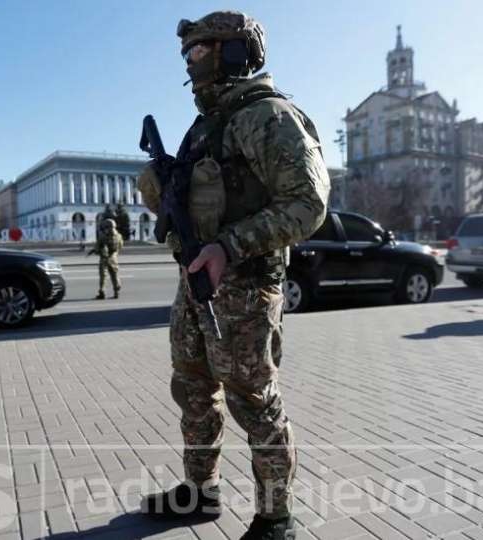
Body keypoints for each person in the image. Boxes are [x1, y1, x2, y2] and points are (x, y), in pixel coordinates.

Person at [137, 11, 330, 540]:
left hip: (244, 288)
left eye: (199, 50)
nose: (189, 61)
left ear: (235, 52)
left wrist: (231, 244)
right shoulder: (208, 123)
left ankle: (276, 517)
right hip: (197, 281)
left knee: (255, 400)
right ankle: (201, 490)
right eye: (188, 53)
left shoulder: (268, 116)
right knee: (193, 388)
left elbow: (309, 204)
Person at [92, 218, 123, 299]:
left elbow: (97, 248)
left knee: (103, 276)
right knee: (114, 275)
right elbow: (120, 246)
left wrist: (97, 251)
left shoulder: (103, 236)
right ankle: (117, 292)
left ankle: (102, 292)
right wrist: (115, 254)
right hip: (113, 258)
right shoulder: (119, 236)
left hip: (104, 258)